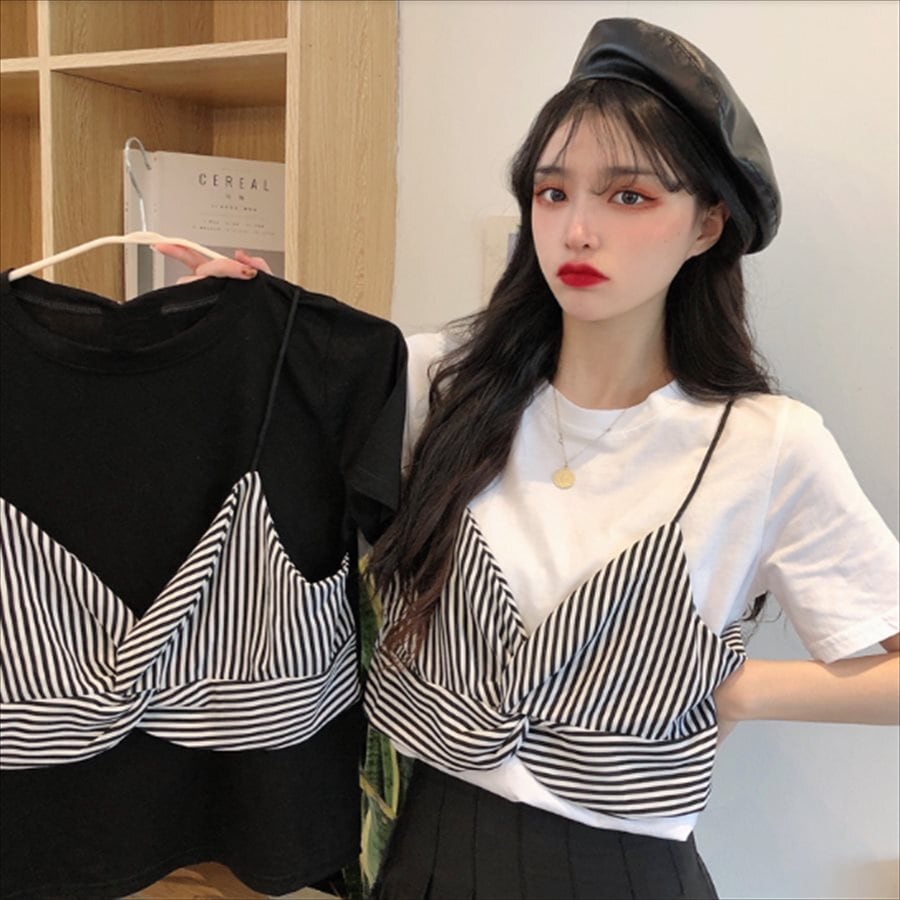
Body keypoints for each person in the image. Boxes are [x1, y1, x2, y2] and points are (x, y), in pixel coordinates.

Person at [158, 17, 899, 899]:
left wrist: (740, 690)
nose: (577, 230)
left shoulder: (765, 444)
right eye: (553, 192)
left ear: (707, 223)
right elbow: (245, 467)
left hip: (623, 872)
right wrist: (228, 330)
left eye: (628, 196)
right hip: (423, 853)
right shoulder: (435, 384)